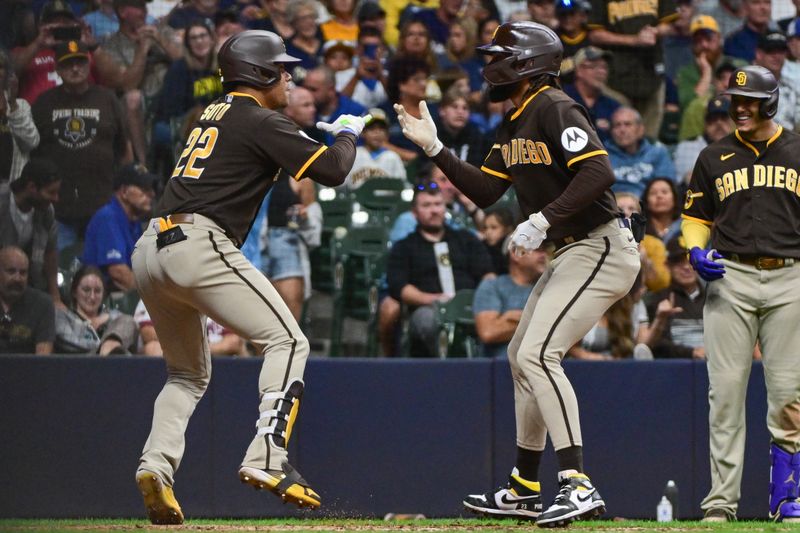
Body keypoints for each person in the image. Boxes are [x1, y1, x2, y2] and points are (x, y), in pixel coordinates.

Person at [395, 20, 640, 527]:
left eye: (498, 56)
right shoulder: (516, 118)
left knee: (538, 353)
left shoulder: (554, 105)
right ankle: (525, 486)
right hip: (572, 250)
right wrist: (436, 149)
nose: (488, 66)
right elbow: (486, 190)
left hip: (601, 246)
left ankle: (577, 484)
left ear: (525, 63)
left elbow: (598, 172)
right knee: (519, 354)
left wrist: (542, 219)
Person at [130, 30, 369, 524]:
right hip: (197, 244)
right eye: (281, 69)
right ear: (258, 74)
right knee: (289, 341)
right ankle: (267, 455)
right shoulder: (260, 117)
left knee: (187, 373)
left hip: (151, 247)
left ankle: (155, 466)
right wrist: (347, 132)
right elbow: (333, 171)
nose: (289, 76)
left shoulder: (212, 114)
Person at [681, 65, 800, 523]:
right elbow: (696, 216)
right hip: (730, 279)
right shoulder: (713, 156)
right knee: (725, 392)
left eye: (749, 100)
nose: (740, 108)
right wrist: (694, 250)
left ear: (770, 102)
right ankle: (721, 503)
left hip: (790, 278)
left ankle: (784, 496)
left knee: (789, 393)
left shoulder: (796, 150)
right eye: (735, 100)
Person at [31, 39, 132, 250]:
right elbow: (32, 155)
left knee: (107, 273)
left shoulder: (108, 99)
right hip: (57, 209)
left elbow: (124, 150)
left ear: (89, 64)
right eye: (68, 64)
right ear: (57, 69)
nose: (75, 68)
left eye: (80, 62)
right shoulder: (43, 103)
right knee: (59, 271)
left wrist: (124, 193)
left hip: (102, 205)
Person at [385, 182, 494, 357]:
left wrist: (485, 298)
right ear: (415, 213)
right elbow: (400, 287)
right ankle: (450, 369)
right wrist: (434, 299)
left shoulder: (466, 239)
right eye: (426, 205)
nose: (434, 210)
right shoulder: (404, 247)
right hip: (429, 308)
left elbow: (488, 274)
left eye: (438, 204)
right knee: (426, 322)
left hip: (470, 305)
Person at [82, 163, 156, 292]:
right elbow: (118, 273)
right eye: (144, 189)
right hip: (102, 300)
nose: (152, 194)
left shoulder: (132, 219)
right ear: (124, 192)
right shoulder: (108, 218)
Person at [0, 158, 62, 307]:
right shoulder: (2, 202)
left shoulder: (46, 212)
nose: (56, 198)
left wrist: (55, 297)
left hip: (29, 287)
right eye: (51, 192)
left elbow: (50, 253)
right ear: (32, 187)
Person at [473, 246, 547, 358]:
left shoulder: (551, 287)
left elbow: (564, 332)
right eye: (537, 249)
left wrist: (511, 318)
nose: (543, 255)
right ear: (516, 253)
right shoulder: (492, 286)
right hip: (502, 367)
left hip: (547, 366)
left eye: (545, 250)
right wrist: (540, 320)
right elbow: (489, 332)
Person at [54, 264, 139, 354]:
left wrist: (107, 321)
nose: (92, 297)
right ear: (75, 292)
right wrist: (107, 345)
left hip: (113, 365)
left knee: (127, 320)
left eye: (97, 291)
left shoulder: (113, 317)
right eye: (86, 290)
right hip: (80, 363)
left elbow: (131, 326)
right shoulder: (63, 317)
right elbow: (73, 344)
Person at [644, 236, 705, 359]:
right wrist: (691, 352)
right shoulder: (659, 299)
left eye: (692, 260)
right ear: (667, 265)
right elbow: (655, 345)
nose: (687, 267)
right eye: (679, 262)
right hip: (674, 370)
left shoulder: (714, 297)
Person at [607, 106, 677, 197]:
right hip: (612, 206)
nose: (622, 130)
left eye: (627, 124)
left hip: (647, 207)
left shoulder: (657, 152)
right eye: (617, 125)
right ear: (611, 131)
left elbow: (666, 185)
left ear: (640, 129)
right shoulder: (602, 155)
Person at [0, 246, 55, 355]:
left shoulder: (43, 304)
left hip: (28, 370)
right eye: (11, 271)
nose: (17, 278)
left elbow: (43, 358)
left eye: (23, 273)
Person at [562, 46, 621, 144]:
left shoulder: (613, 106)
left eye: (604, 67)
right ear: (579, 70)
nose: (601, 71)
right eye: (594, 66)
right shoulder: (561, 99)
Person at [0, 50, 40, 183]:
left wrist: (13, 105)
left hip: (12, 188)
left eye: (0, 67)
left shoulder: (21, 105)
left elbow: (31, 143)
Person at [674, 97, 733, 185]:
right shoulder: (686, 147)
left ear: (732, 122)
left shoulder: (743, 148)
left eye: (724, 118)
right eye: (713, 119)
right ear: (705, 123)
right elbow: (682, 183)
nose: (719, 123)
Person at [343, 107, 406, 190]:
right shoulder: (352, 155)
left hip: (386, 202)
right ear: (362, 132)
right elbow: (340, 187)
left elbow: (401, 186)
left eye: (381, 129)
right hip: (356, 201)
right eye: (372, 129)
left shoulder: (392, 157)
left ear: (387, 134)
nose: (377, 133)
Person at [481, 207, 516, 275]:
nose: (488, 232)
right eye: (485, 228)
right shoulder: (481, 248)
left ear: (508, 229)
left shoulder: (511, 249)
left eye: (494, 227)